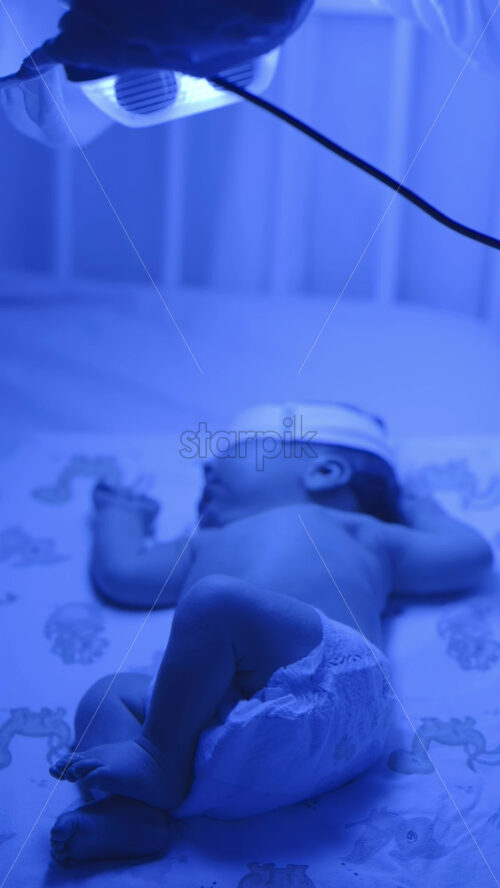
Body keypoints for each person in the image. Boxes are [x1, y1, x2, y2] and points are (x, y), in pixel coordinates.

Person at [48, 402, 493, 866]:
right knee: (106, 695)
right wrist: (119, 518)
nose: (207, 469)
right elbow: (124, 573)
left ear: (324, 472)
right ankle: (130, 814)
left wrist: (417, 504)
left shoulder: (363, 532)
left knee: (214, 601)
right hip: (212, 734)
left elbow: (471, 555)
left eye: (235, 454)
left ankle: (155, 758)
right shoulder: (202, 542)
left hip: (328, 691)